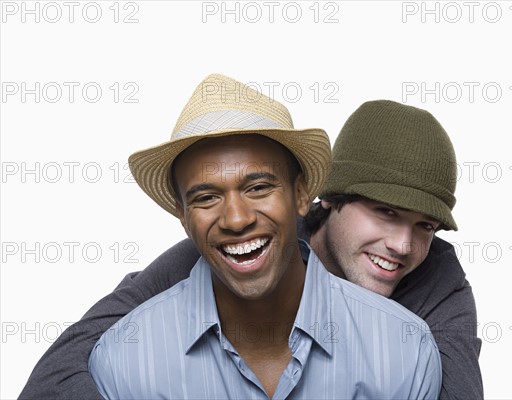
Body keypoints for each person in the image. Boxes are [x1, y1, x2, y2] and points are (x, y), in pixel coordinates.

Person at [19, 85, 482, 399]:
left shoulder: (438, 283)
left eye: (426, 226)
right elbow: (58, 372)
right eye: (385, 212)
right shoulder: (235, 242)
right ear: (323, 200)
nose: (402, 245)